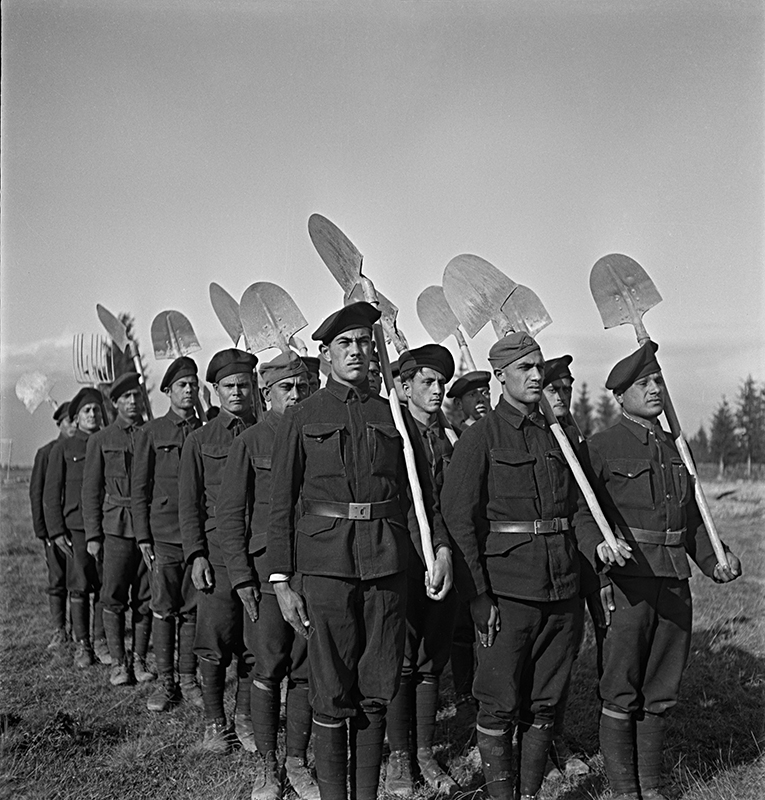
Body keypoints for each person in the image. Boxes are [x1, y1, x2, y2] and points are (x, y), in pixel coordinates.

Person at [269, 302, 442, 800]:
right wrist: (281, 581)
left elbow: (417, 498)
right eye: (345, 344)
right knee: (329, 689)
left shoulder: (391, 415)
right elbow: (280, 505)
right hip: (326, 569)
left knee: (378, 687)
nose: (357, 352)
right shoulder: (303, 416)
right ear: (324, 355)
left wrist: (439, 552)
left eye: (365, 342)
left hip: (387, 565)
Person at [575, 341, 742, 800]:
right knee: (621, 686)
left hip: (673, 582)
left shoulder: (676, 449)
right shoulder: (601, 447)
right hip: (629, 582)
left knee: (661, 685)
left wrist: (715, 560)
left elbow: (691, 521)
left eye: (657, 381)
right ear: (621, 394)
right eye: (644, 383)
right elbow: (582, 514)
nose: (655, 389)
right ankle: (625, 788)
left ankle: (652, 783)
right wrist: (599, 550)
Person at [441, 332, 583, 800]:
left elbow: (579, 509)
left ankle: (530, 792)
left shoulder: (557, 435)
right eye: (525, 368)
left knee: (545, 700)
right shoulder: (481, 436)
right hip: (508, 592)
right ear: (501, 377)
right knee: (499, 701)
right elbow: (459, 518)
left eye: (539, 366)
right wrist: (478, 596)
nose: (537, 376)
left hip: (562, 587)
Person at [217, 351, 317, 800]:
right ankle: (267, 768)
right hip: (263, 577)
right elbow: (230, 516)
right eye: (286, 389)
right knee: (267, 666)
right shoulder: (251, 442)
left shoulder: (317, 435)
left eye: (302, 387)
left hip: (314, 570)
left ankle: (297, 762)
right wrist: (240, 578)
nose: (296, 396)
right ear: (267, 393)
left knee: (304, 669)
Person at [384, 344, 457, 796]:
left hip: (446, 561)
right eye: (426, 382)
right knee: (401, 659)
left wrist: (446, 553)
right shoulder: (395, 434)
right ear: (404, 387)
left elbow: (453, 504)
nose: (437, 389)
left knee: (432, 659)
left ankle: (425, 752)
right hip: (402, 559)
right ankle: (398, 758)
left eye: (440, 382)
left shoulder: (449, 439)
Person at [179, 348, 258, 753]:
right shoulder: (199, 440)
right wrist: (196, 555)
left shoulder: (268, 432)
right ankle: (215, 724)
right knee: (213, 642)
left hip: (259, 551)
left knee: (253, 642)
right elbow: (189, 504)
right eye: (229, 386)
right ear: (215, 390)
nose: (237, 393)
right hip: (218, 556)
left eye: (244, 385)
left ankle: (245, 720)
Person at [131, 356, 204, 712]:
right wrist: (143, 536)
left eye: (193, 384)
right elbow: (139, 488)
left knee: (192, 609)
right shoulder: (152, 432)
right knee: (163, 608)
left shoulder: (205, 430)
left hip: (198, 535)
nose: (189, 390)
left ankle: (189, 679)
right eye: (181, 385)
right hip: (164, 534)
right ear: (168, 392)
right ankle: (166, 682)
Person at [82, 372, 154, 686]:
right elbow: (91, 491)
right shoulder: (101, 439)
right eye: (126, 397)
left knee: (145, 597)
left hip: (148, 527)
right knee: (112, 597)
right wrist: (94, 536)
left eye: (137, 395)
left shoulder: (150, 434)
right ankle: (119, 664)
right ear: (115, 403)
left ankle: (139, 661)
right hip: (114, 527)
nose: (133, 401)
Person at [541, 355, 590, 777]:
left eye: (568, 387)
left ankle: (554, 736)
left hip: (573, 563)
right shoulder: (534, 435)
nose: (562, 395)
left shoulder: (574, 435)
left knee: (563, 656)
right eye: (554, 388)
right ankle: (531, 742)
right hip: (530, 565)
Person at [43, 389, 105, 668]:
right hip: (76, 530)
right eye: (87, 411)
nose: (92, 415)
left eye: (96, 410)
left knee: (105, 589)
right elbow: (51, 493)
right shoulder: (64, 448)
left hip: (107, 528)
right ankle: (84, 645)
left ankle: (102, 641)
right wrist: (56, 532)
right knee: (79, 588)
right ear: (77, 417)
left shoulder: (106, 442)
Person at [30, 402, 75, 650]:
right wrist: (44, 532)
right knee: (57, 579)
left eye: (75, 420)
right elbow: (38, 495)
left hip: (78, 528)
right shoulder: (46, 453)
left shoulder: (84, 448)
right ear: (59, 424)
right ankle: (59, 630)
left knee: (80, 581)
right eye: (69, 421)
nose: (74, 425)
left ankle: (83, 633)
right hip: (54, 530)